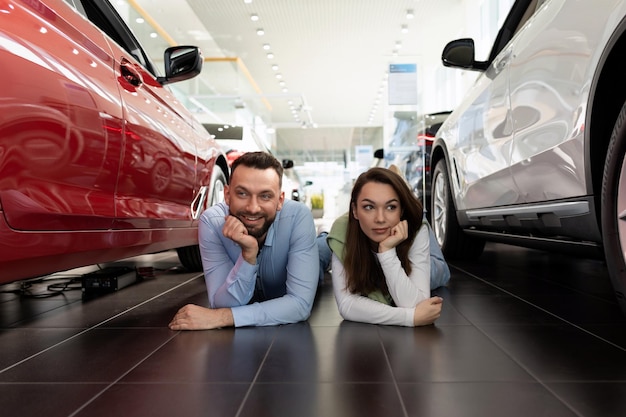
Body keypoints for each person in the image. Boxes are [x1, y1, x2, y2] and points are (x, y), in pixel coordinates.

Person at [169, 151, 326, 330]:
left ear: (280, 200)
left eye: (265, 196)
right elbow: (222, 302)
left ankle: (325, 235)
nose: (253, 208)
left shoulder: (298, 216)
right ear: (227, 195)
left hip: (308, 259)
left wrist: (223, 317)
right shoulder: (212, 222)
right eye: (242, 194)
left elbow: (300, 305)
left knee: (323, 251)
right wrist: (248, 255)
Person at [327, 167, 446, 326]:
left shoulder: (416, 228)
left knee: (438, 271)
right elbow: (346, 304)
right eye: (369, 207)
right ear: (354, 210)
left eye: (391, 207)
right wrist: (408, 318)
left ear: (401, 210)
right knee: (325, 244)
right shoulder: (342, 230)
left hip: (416, 246)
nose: (380, 219)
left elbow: (417, 305)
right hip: (371, 252)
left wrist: (387, 251)